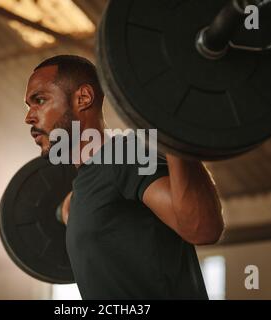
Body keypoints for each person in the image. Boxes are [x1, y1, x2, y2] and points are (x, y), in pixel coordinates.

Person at [24, 55, 224, 299]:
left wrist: (171, 127)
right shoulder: (83, 188)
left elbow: (202, 229)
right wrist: (65, 209)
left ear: (83, 98)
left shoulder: (125, 154)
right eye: (28, 106)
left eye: (40, 100)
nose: (29, 117)